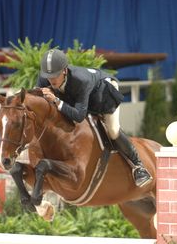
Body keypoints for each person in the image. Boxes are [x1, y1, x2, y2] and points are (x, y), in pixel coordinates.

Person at [37, 48, 152, 187]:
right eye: (49, 76)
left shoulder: (81, 81)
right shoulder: (45, 77)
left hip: (103, 93)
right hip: (82, 95)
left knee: (113, 130)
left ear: (64, 70)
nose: (51, 80)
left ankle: (139, 167)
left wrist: (56, 100)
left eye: (55, 75)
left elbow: (79, 116)